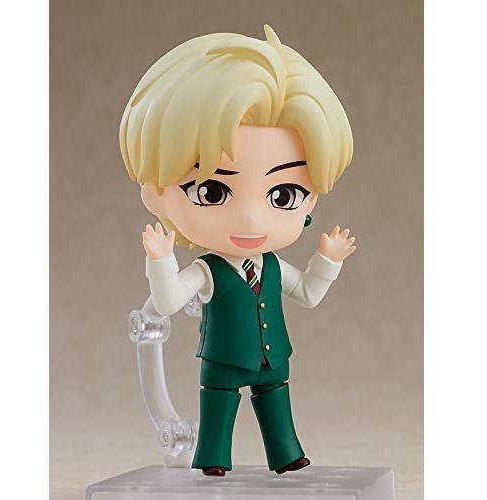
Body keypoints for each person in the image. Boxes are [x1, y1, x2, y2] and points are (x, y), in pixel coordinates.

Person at [119, 25, 356, 477]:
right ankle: (211, 458)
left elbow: (308, 294)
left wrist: (327, 261)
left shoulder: (272, 264)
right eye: (212, 191)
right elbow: (167, 303)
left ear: (310, 201)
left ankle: (286, 454)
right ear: (158, 194)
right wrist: (161, 260)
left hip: (273, 359)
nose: (250, 220)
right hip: (223, 362)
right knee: (218, 412)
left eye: (284, 195)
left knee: (277, 408)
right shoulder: (208, 270)